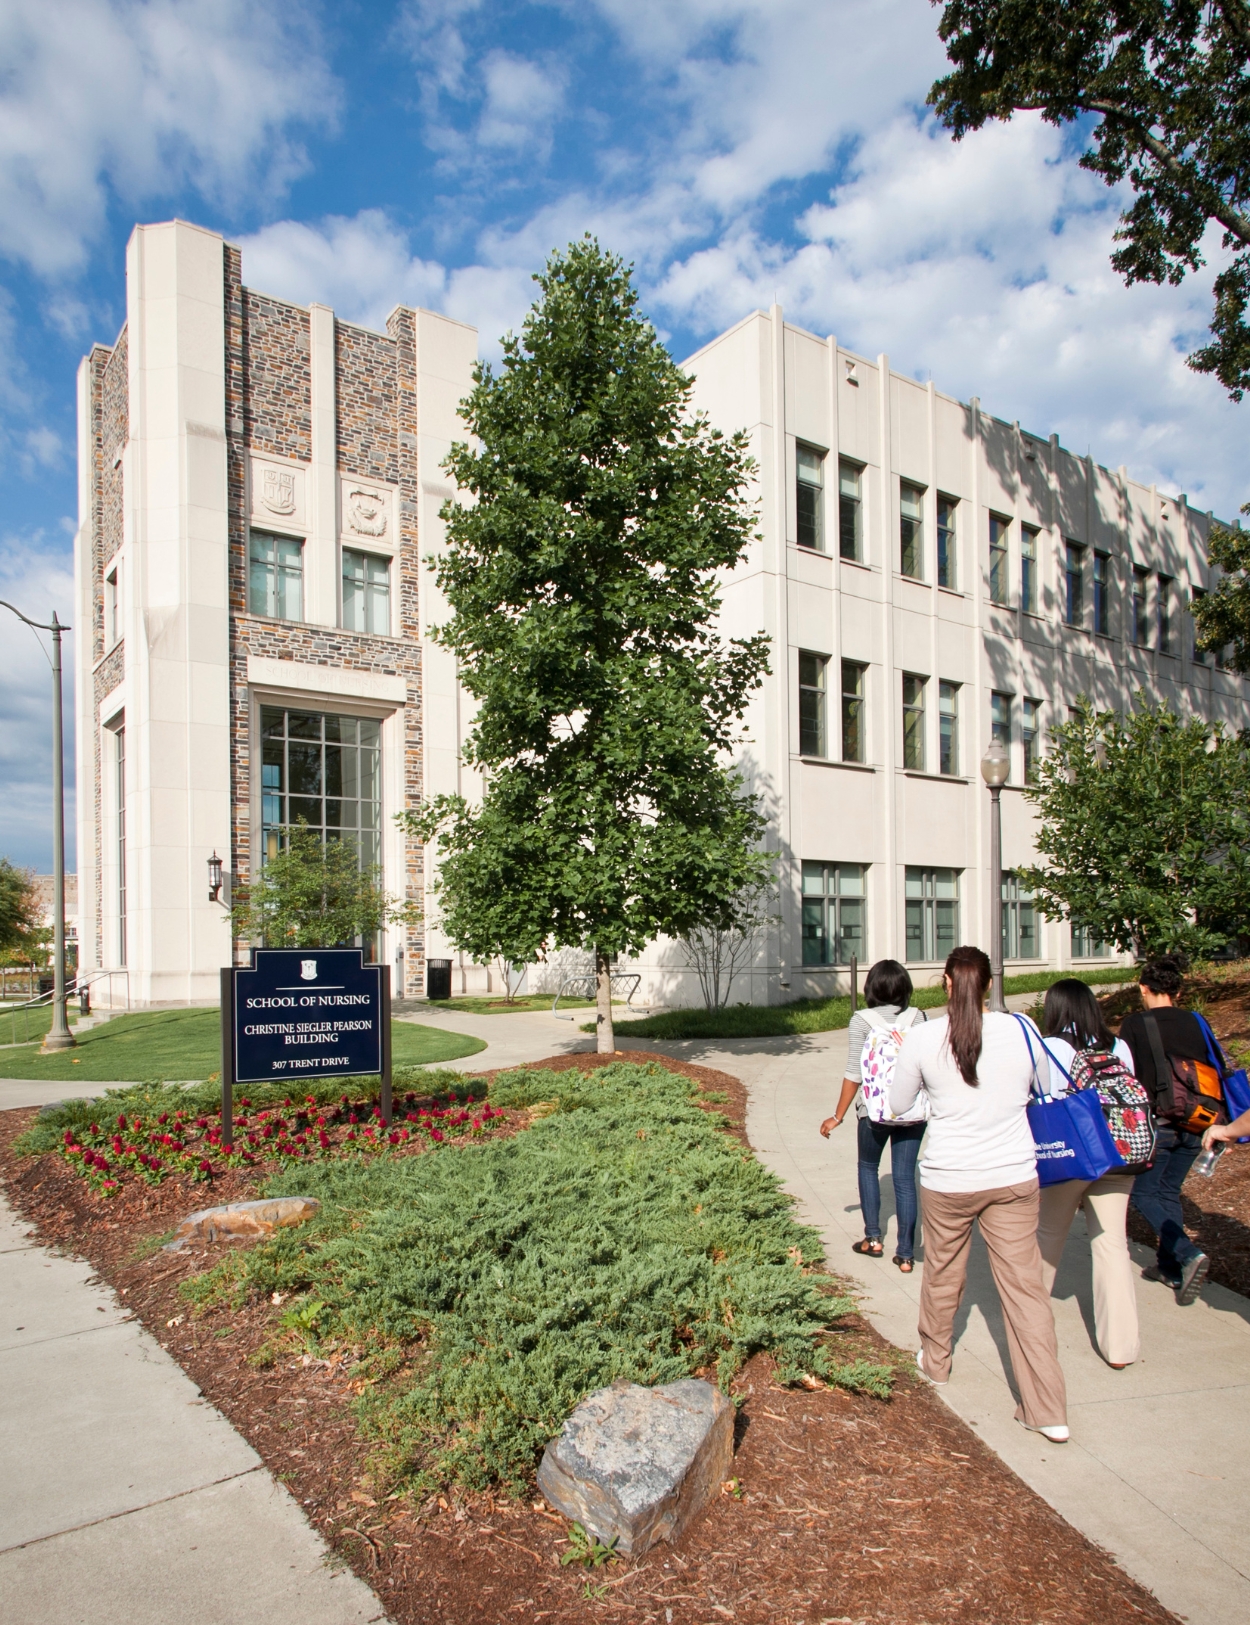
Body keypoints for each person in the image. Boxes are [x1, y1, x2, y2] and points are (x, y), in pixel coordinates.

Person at [891, 944, 1069, 1443]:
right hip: (1013, 1175)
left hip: (949, 1176)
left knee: (944, 1274)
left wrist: (938, 1092)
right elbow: (1047, 1085)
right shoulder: (1024, 1029)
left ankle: (937, 1360)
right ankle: (1046, 1409)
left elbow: (898, 1101)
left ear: (947, 983)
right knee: (1025, 1291)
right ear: (989, 984)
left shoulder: (923, 1037)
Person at [1035, 979, 1140, 1369]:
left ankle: (1029, 1326)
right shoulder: (1119, 1046)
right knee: (1112, 1245)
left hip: (1071, 1157)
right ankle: (1121, 1349)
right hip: (1117, 1154)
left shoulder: (1052, 1047)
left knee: (1048, 1238)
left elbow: (1041, 1098)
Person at [820, 959, 927, 1271]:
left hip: (873, 1111)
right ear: (905, 988)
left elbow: (854, 1072)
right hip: (912, 1112)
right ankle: (906, 1254)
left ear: (871, 988)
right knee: (906, 1178)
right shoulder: (919, 1018)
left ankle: (873, 1239)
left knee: (868, 1168)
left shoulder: (861, 1020)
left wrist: (836, 1116)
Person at [1118, 955, 1212, 1305]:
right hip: (1197, 1121)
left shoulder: (1135, 1024)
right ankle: (1168, 1266)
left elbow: (1129, 1077)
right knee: (1169, 1192)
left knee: (1144, 1195)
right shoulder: (1197, 1022)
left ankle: (1187, 1254)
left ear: (1144, 987)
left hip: (1159, 1121)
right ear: (1178, 990)